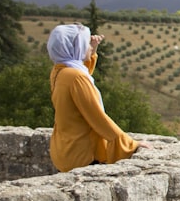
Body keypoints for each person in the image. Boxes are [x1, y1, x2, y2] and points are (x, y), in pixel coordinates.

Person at [47, 23, 150, 171]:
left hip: (64, 150)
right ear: (76, 48)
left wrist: (92, 50)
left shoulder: (59, 71)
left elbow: (80, 82)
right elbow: (97, 117)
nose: (88, 46)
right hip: (82, 154)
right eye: (85, 44)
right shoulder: (75, 77)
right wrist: (127, 143)